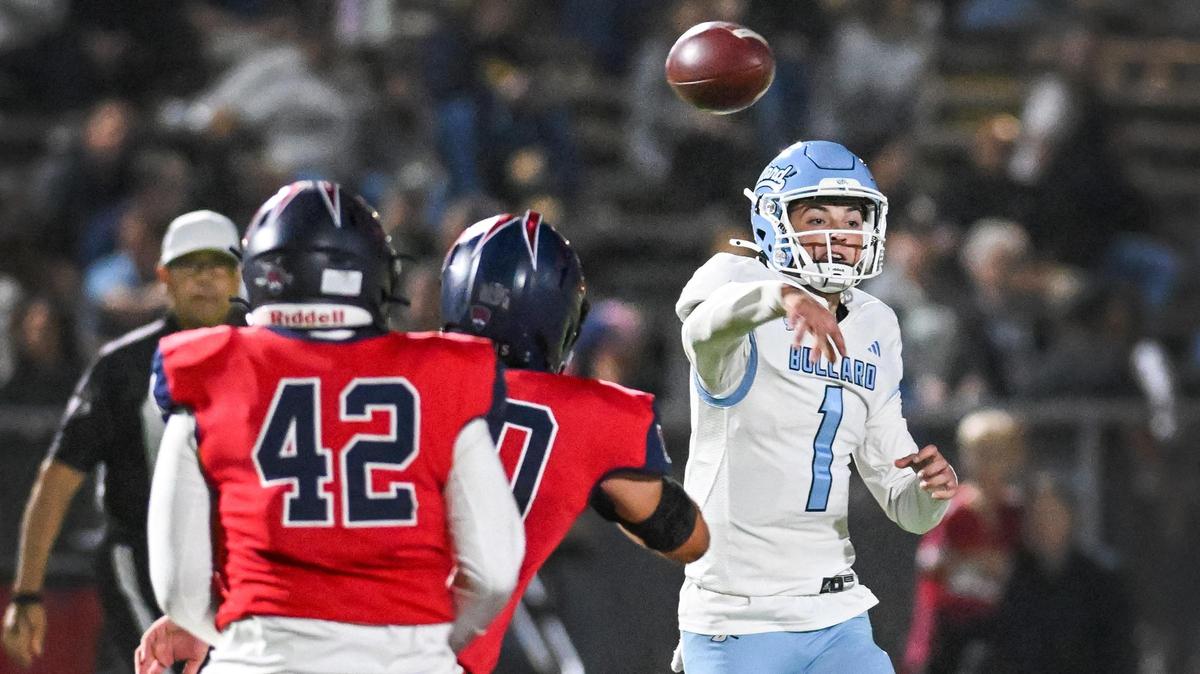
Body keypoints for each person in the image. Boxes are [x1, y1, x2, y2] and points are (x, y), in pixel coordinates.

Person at [135, 210, 709, 674]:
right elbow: (686, 539)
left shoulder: (390, 374)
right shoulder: (596, 417)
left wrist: (208, 611)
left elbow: (298, 501)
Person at [143, 181, 522, 674]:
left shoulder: (206, 366)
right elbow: (493, 572)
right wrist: (420, 646)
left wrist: (244, 641)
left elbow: (177, 586)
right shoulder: (445, 374)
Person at [673, 140, 959, 673]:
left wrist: (928, 491)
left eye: (853, 219)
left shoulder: (877, 323)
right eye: (817, 217)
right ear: (773, 223)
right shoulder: (736, 289)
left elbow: (900, 499)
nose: (838, 235)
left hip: (836, 610)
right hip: (739, 615)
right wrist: (779, 296)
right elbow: (703, 332)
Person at [2, 209, 243, 674]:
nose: (206, 280)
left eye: (218, 265)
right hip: (146, 559)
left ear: (239, 274)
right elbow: (57, 479)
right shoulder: (123, 368)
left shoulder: (270, 355)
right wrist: (27, 590)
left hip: (241, 558)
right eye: (192, 266)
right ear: (163, 278)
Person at [902, 409, 1026, 674]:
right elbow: (928, 562)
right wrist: (973, 560)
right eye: (979, 453)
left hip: (996, 626)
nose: (987, 464)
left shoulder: (1014, 512)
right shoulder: (952, 508)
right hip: (949, 629)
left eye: (996, 454)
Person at [985, 474, 1136, 673]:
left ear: (1070, 516)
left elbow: (1119, 652)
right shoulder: (1019, 579)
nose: (1043, 524)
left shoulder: (1100, 580)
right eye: (1036, 515)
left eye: (1051, 514)